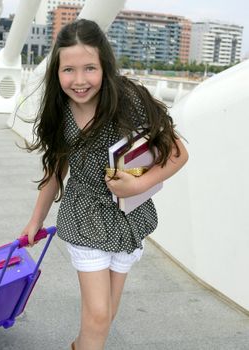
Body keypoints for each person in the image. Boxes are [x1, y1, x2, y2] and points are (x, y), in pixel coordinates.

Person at [21, 19, 188, 350]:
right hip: (84, 215)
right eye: (69, 70)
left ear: (105, 66)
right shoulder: (59, 108)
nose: (79, 80)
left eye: (89, 68)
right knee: (97, 315)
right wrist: (35, 219)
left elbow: (178, 153)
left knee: (105, 314)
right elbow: (56, 169)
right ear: (56, 71)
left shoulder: (128, 99)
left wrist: (138, 186)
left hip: (127, 216)